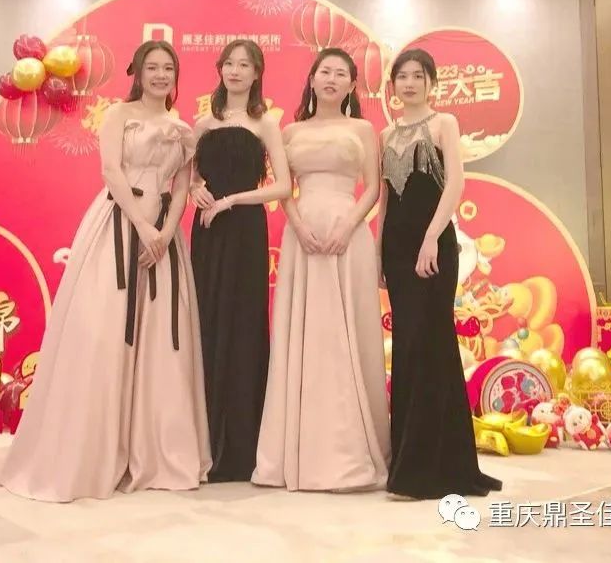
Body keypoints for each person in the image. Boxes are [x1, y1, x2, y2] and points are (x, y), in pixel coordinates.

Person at [0, 39, 211, 502]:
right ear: (138, 72)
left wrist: (164, 233)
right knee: (104, 333)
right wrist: (142, 227)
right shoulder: (119, 114)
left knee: (160, 341)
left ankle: (154, 453)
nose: (161, 75)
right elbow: (112, 173)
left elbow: (181, 187)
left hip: (164, 238)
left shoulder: (182, 129)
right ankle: (92, 451)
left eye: (168, 68)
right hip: (117, 223)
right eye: (152, 67)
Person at [252, 47, 389, 492]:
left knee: (348, 332)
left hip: (349, 234)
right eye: (324, 71)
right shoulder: (290, 131)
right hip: (303, 236)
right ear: (311, 79)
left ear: (352, 84)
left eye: (341, 73)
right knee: (305, 333)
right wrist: (297, 225)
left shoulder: (363, 129)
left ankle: (352, 450)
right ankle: (298, 451)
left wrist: (349, 226)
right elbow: (283, 188)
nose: (331, 79)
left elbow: (373, 189)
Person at [378, 48, 502, 499]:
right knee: (408, 348)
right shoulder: (385, 134)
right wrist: (379, 254)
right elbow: (384, 199)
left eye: (418, 76)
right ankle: (411, 463)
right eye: (402, 76)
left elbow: (455, 184)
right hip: (397, 250)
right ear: (393, 84)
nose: (409, 83)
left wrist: (431, 237)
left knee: (433, 345)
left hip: (433, 245)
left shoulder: (443, 123)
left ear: (432, 82)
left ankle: (436, 468)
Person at [190, 39, 292, 482]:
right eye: (228, 63)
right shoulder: (202, 122)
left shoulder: (266, 123)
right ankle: (205, 442)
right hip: (208, 231)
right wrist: (195, 189)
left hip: (246, 228)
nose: (234, 71)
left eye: (244, 65)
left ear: (257, 73)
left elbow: (282, 186)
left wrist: (231, 199)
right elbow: (190, 176)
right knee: (207, 322)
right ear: (220, 69)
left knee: (245, 325)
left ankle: (243, 449)